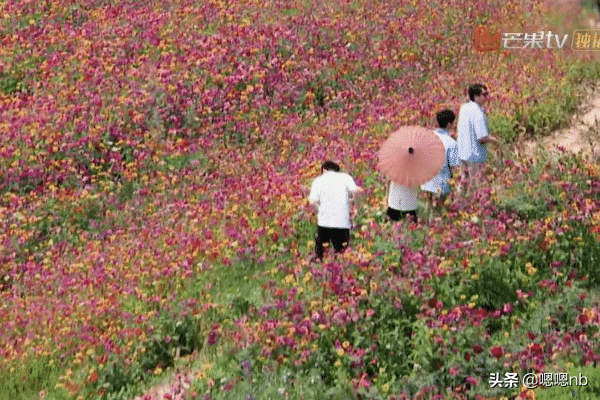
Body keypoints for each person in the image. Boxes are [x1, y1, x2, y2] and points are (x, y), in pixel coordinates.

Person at [308, 161, 363, 262]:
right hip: (342, 222)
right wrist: (356, 208)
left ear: (324, 170)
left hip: (324, 222)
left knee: (321, 256)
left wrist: (319, 210)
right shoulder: (345, 177)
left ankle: (321, 271)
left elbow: (312, 202)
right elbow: (356, 191)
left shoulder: (318, 180)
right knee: (342, 254)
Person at [456, 83, 499, 195]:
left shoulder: (464, 108)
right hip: (474, 155)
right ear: (475, 96)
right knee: (476, 185)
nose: (487, 97)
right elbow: (482, 137)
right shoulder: (478, 112)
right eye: (484, 94)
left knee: (463, 183)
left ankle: (458, 204)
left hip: (463, 152)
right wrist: (495, 141)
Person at [420, 109, 461, 207]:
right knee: (440, 208)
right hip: (442, 182)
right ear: (449, 124)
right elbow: (454, 166)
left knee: (428, 207)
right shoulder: (451, 143)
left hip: (426, 179)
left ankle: (426, 221)